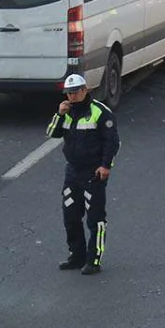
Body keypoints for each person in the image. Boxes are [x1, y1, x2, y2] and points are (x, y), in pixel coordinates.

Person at [46, 74, 120, 275]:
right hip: (72, 171)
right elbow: (52, 133)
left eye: (75, 92)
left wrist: (106, 166)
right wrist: (59, 115)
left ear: (85, 90)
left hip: (93, 172)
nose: (71, 96)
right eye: (68, 93)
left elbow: (112, 142)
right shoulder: (66, 111)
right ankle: (76, 256)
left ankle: (93, 260)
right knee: (70, 216)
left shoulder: (100, 112)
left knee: (95, 218)